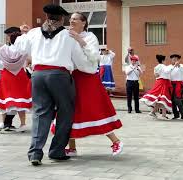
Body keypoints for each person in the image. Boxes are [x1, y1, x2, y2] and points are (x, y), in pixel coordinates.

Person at [15, 4, 99, 165]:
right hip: (60, 76)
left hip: (38, 75)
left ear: (46, 17)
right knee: (65, 112)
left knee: (40, 114)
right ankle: (56, 151)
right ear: (62, 19)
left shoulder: (33, 33)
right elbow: (81, 63)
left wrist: (23, 33)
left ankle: (35, 153)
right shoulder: (70, 36)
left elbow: (20, 49)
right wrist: (91, 67)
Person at [51, 12, 123, 157]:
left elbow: (94, 57)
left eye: (75, 19)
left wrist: (79, 40)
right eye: (70, 19)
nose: (71, 21)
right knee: (69, 111)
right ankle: (72, 148)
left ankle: (116, 142)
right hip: (71, 77)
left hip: (88, 78)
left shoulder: (90, 37)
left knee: (94, 110)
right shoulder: (66, 35)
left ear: (83, 23)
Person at [0, 26, 31, 133]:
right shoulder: (23, 50)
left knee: (4, 98)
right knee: (20, 99)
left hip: (6, 75)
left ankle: (2, 122)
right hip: (19, 75)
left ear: (10, 38)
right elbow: (28, 60)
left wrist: (4, 66)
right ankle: (23, 123)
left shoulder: (3, 49)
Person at [140, 55, 172, 120]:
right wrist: (172, 67)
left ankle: (159, 113)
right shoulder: (164, 66)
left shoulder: (156, 67)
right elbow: (167, 71)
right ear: (163, 60)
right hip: (163, 82)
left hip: (158, 82)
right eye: (165, 60)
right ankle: (159, 113)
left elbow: (156, 75)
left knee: (160, 99)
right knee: (162, 99)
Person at [168, 54, 183, 120]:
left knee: (177, 99)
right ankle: (176, 114)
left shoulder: (181, 66)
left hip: (179, 85)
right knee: (172, 100)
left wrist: (179, 66)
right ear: (171, 60)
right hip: (171, 84)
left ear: (178, 60)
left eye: (176, 59)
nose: (175, 60)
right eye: (173, 59)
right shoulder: (169, 67)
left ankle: (182, 112)